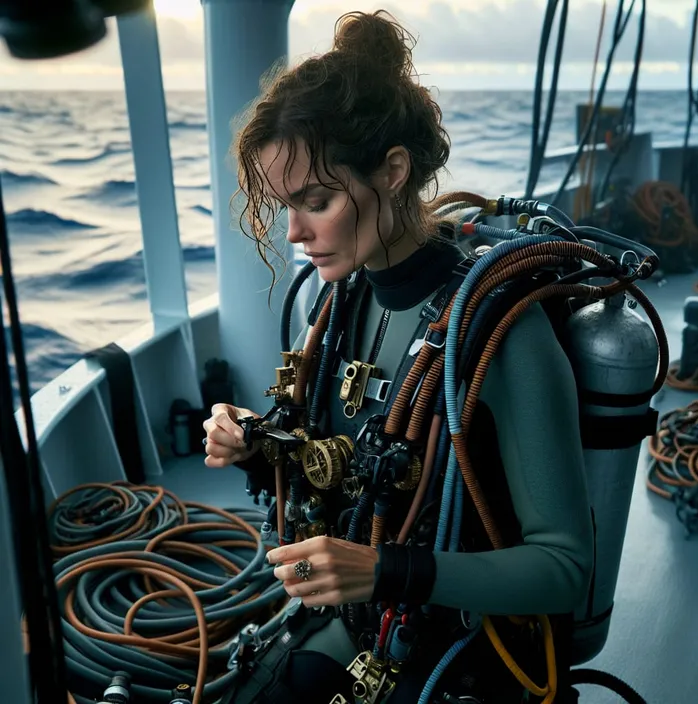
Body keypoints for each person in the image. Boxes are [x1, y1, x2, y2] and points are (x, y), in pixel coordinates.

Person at [203, 10, 594, 704]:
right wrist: (256, 443)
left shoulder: (500, 335)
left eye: (316, 202)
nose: (295, 233)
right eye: (284, 207)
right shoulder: (341, 299)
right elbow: (348, 460)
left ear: (392, 171)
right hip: (364, 623)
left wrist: (390, 570)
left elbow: (565, 568)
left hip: (467, 657)